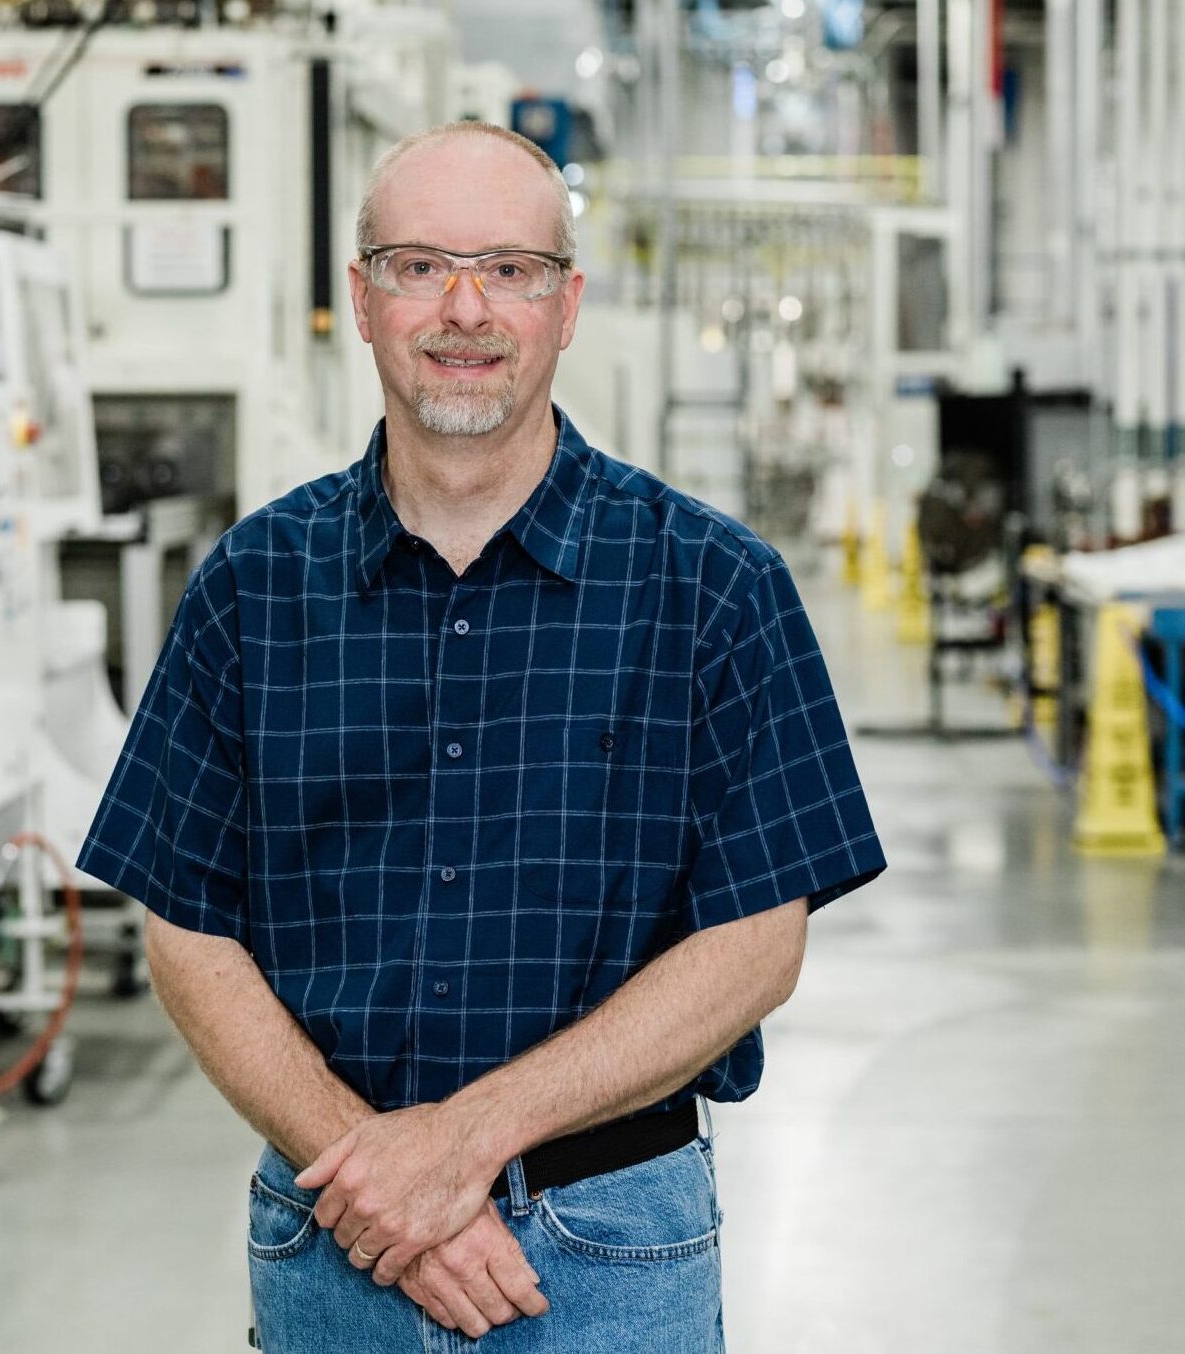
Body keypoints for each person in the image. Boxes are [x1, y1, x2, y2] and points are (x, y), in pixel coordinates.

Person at [78, 121, 886, 1353]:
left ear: (567, 306)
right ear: (360, 298)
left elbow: (753, 944)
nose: (464, 307)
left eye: (509, 268)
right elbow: (187, 927)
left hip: (607, 1241)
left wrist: (459, 1144)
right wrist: (378, 1174)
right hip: (329, 1222)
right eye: (418, 265)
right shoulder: (251, 587)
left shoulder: (713, 585)